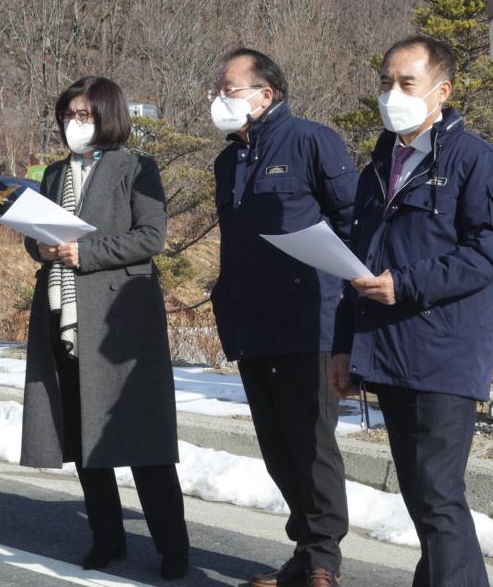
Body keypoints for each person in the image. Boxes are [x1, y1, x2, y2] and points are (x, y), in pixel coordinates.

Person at [330, 36, 493, 587]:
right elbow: (355, 265)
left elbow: (488, 256)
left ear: (442, 90)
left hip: (444, 352)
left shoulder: (478, 162)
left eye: (406, 83)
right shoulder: (377, 168)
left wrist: (405, 285)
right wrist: (344, 345)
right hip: (386, 349)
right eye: (385, 82)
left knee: (437, 495)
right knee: (421, 497)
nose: (392, 93)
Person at [20, 76, 190, 580]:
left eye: (87, 115)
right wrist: (43, 248)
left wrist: (84, 252)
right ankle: (107, 538)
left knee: (144, 443)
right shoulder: (53, 173)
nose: (77, 123)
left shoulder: (137, 167)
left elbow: (150, 237)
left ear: (109, 116)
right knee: (84, 439)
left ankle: (173, 547)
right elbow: (39, 237)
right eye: (70, 114)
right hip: (63, 317)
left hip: (121, 325)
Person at [209, 48, 355, 587]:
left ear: (265, 94)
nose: (218, 99)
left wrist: (351, 305)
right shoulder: (229, 161)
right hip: (252, 322)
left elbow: (351, 221)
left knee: (312, 443)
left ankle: (323, 560)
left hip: (308, 319)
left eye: (229, 88)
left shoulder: (312, 140)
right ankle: (302, 552)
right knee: (277, 446)